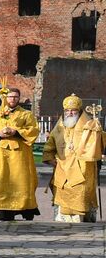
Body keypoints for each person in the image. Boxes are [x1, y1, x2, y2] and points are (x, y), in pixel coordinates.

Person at [0, 87, 40, 222]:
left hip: (20, 154)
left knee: (22, 180)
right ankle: (3, 212)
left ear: (19, 98)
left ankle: (25, 209)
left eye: (15, 97)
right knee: (2, 179)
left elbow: (33, 129)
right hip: (1, 154)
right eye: (10, 97)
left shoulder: (26, 114)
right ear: (5, 98)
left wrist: (16, 131)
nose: (12, 99)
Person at [42, 94, 103, 222]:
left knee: (79, 190)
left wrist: (98, 131)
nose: (70, 113)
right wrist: (49, 158)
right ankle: (63, 216)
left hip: (82, 166)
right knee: (62, 189)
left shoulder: (88, 124)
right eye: (67, 110)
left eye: (73, 110)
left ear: (79, 110)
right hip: (62, 165)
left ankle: (81, 215)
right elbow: (50, 143)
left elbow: (98, 142)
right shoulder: (60, 126)